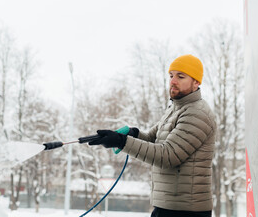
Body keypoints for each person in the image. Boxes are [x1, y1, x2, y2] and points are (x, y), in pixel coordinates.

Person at [89, 54, 217, 217]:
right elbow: (152, 139)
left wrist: (122, 142)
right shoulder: (176, 109)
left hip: (186, 211)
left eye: (180, 76)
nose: (173, 81)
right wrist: (133, 133)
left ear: (196, 82)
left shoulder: (197, 113)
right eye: (171, 75)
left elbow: (167, 155)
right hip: (167, 206)